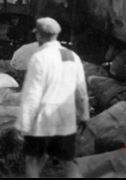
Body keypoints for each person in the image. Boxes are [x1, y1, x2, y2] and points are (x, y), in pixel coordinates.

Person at [15, 17, 89, 178]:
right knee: (68, 162)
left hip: (42, 121)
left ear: (39, 36)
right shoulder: (72, 56)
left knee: (32, 160)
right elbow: (81, 90)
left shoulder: (39, 58)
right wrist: (84, 115)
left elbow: (32, 94)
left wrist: (24, 123)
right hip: (66, 120)